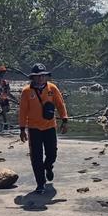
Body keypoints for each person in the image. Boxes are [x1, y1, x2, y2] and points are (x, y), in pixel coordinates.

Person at [18, 63, 68, 193]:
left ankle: (48, 166)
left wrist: (65, 120)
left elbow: (60, 104)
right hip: (34, 128)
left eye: (42, 76)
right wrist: (22, 129)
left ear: (46, 76)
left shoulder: (52, 88)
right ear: (32, 77)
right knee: (36, 157)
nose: (40, 78)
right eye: (37, 76)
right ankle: (40, 183)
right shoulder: (26, 91)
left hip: (50, 126)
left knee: (52, 153)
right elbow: (23, 111)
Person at [0, 65, 11, 130]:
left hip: (5, 95)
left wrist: (8, 93)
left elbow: (7, 87)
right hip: (1, 95)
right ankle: (5, 123)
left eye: (4, 71)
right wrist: (0, 95)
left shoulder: (4, 79)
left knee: (8, 109)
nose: (4, 73)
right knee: (4, 109)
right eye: (3, 72)